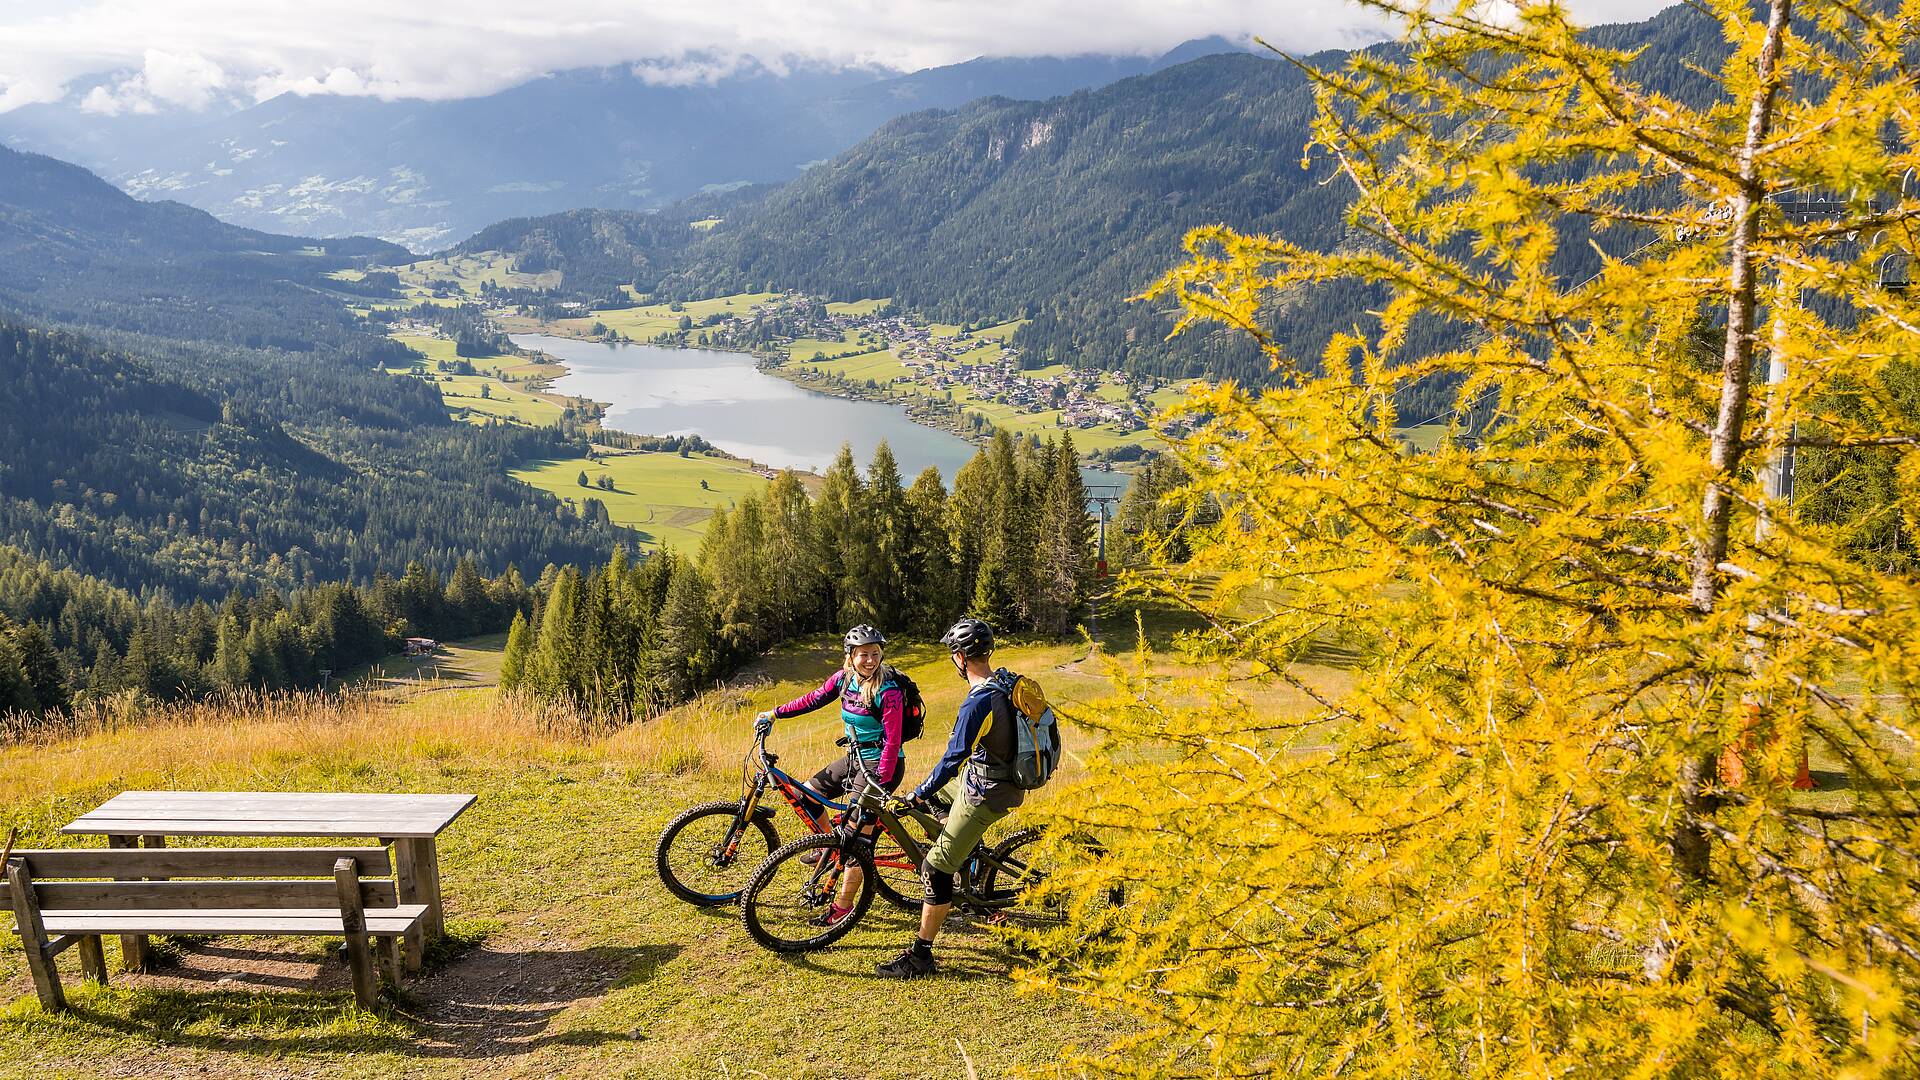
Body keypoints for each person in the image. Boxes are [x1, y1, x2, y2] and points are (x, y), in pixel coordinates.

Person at [876, 615, 1021, 979]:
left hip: (987, 791)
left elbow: (952, 759)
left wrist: (916, 794)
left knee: (935, 868)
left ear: (959, 658)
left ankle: (921, 957)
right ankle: (969, 855)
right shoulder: (1003, 681)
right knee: (937, 800)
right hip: (991, 778)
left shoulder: (978, 702)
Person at [754, 624, 906, 925]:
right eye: (864, 654)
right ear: (850, 656)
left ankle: (844, 905)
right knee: (804, 794)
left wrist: (880, 782)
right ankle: (827, 843)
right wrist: (775, 714)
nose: (870, 660)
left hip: (880, 766)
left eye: (875, 654)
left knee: (854, 840)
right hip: (855, 758)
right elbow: (812, 699)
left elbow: (893, 740)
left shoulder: (887, 690)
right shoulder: (844, 679)